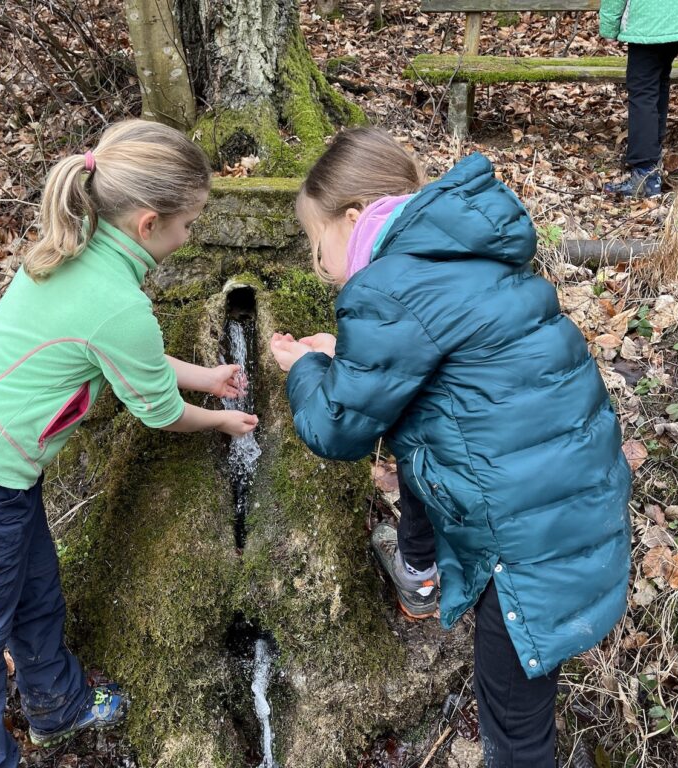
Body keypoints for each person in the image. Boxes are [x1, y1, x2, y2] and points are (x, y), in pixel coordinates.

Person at [269, 128, 632, 767]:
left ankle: (423, 576)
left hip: (523, 555)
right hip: (572, 511)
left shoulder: (386, 287)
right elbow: (427, 374)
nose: (316, 262)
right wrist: (340, 358)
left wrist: (303, 368)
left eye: (315, 241)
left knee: (515, 729)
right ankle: (420, 570)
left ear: (353, 219)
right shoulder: (462, 256)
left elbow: (337, 427)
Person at [0, 119, 257, 768]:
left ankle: (57, 707)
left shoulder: (82, 249)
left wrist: (209, 378)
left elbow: (131, 357)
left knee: (37, 590)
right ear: (149, 223)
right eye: (188, 224)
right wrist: (221, 420)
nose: (190, 237)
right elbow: (156, 409)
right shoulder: (118, 302)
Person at [601, 0, 678, 198]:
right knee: (658, 82)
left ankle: (645, 175)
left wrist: (608, 26)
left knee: (643, 90)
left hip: (650, 18)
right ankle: (652, 166)